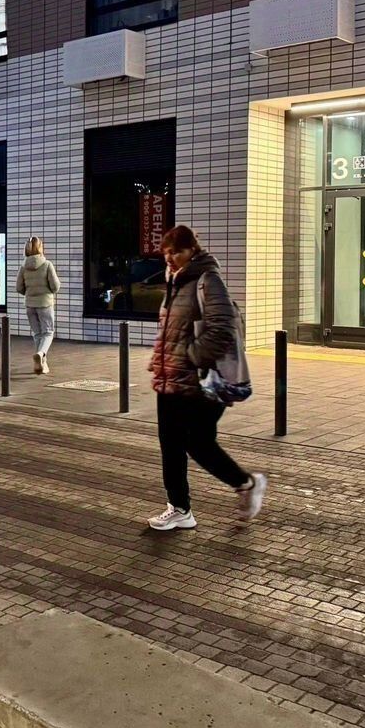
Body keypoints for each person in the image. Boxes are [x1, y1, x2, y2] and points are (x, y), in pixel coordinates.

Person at [147, 224, 267, 530]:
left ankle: (246, 483)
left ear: (192, 250)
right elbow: (173, 331)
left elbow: (223, 328)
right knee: (171, 446)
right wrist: (161, 361)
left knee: (197, 442)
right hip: (170, 377)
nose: (170, 258)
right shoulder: (174, 280)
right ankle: (180, 508)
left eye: (177, 252)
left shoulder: (207, 279)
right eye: (166, 252)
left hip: (196, 380)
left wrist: (192, 356)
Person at [16, 237, 60, 374]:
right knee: (48, 332)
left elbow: (19, 288)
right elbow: (55, 286)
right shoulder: (47, 265)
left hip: (30, 305)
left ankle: (42, 364)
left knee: (37, 334)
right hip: (45, 304)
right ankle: (41, 354)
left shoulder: (23, 267)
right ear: (40, 247)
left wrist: (29, 292)